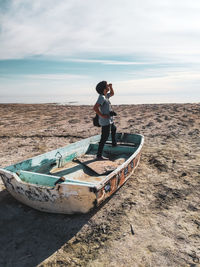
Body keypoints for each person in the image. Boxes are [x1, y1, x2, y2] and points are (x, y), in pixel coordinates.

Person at [93, 81, 117, 160]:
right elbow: (95, 108)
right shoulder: (102, 97)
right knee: (104, 137)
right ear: (104, 88)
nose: (108, 86)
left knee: (114, 128)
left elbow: (112, 93)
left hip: (109, 119)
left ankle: (114, 144)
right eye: (107, 85)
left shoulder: (105, 96)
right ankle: (99, 155)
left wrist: (111, 87)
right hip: (105, 121)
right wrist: (102, 115)